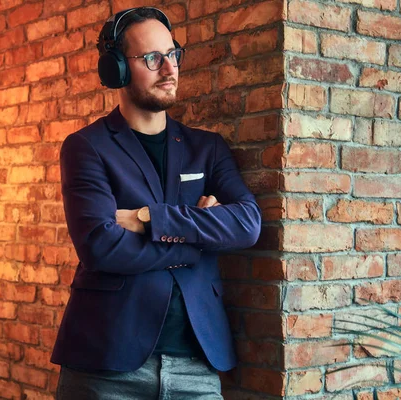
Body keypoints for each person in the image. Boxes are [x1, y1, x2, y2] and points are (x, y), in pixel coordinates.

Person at [50, 7, 261, 400]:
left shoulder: (207, 148)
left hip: (197, 366)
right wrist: (197, 239)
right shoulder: (86, 148)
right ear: (117, 70)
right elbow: (101, 246)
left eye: (173, 54)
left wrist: (152, 219)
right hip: (105, 364)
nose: (170, 69)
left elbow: (247, 224)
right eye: (152, 58)